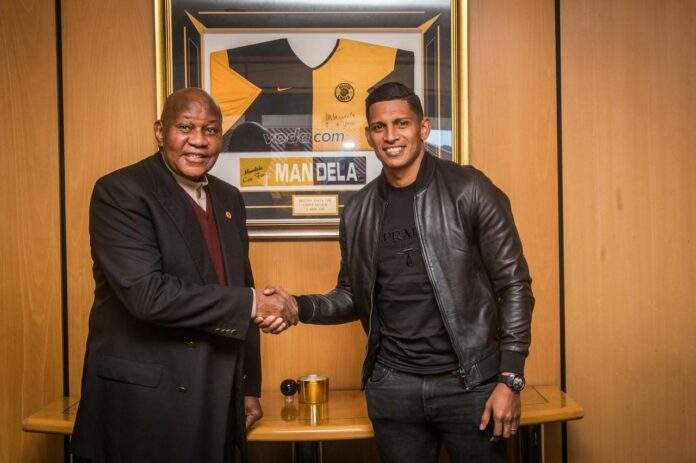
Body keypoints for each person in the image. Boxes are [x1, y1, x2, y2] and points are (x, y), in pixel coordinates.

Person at [260, 82, 534, 462]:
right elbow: (352, 295)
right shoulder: (358, 211)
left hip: (470, 385)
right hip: (393, 387)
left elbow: (514, 285)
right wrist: (297, 306)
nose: (390, 136)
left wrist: (510, 379)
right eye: (379, 127)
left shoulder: (470, 189)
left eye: (401, 123)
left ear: (423, 128)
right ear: (369, 134)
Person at [71, 88, 296, 463]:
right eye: (185, 127)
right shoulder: (121, 191)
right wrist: (254, 302)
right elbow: (148, 295)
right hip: (143, 406)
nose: (199, 141)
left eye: (211, 130)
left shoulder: (229, 198)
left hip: (216, 398)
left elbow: (240, 287)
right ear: (160, 132)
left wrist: (247, 387)